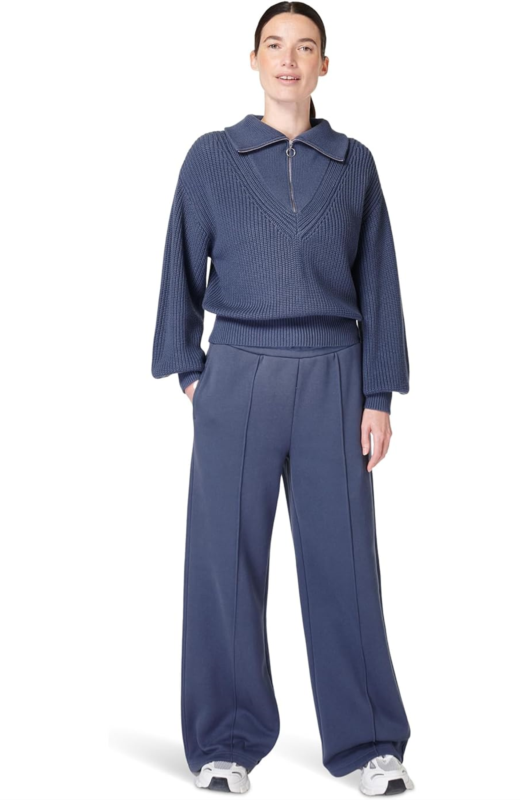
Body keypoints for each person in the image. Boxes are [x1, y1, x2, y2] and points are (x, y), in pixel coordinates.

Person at [151, 3, 414, 795]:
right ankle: (224, 743)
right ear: (254, 59)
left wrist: (378, 393)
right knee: (226, 562)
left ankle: (370, 744)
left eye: (305, 47)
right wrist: (190, 369)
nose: (289, 59)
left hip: (335, 371)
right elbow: (179, 264)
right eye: (275, 45)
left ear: (324, 65)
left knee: (346, 563)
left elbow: (380, 281)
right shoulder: (212, 157)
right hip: (237, 372)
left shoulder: (354, 164)